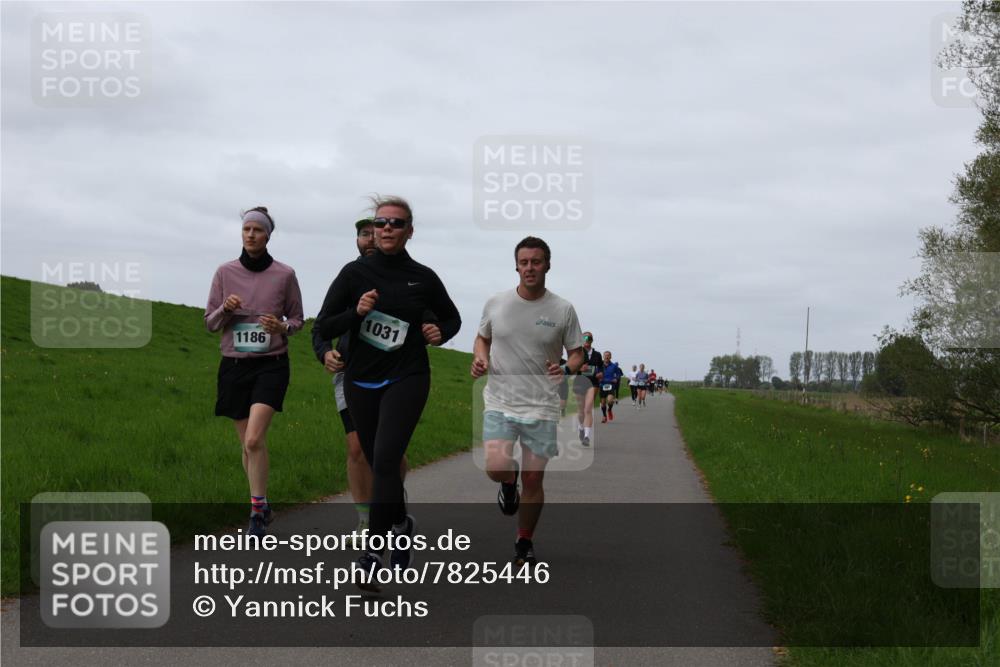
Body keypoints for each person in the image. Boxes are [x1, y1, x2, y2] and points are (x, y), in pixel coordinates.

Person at [315, 195, 461, 580]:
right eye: (381, 223)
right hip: (360, 379)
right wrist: (354, 315)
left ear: (409, 231)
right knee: (378, 461)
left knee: (383, 459)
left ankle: (370, 556)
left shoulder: (423, 277)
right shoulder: (353, 274)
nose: (387, 229)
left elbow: (452, 317)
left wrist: (439, 331)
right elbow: (323, 326)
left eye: (396, 223)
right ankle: (399, 523)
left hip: (407, 377)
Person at [472, 236, 583, 567]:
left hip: (542, 405)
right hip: (500, 400)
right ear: (516, 266)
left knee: (534, 479)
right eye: (524, 262)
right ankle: (508, 481)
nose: (530, 268)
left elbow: (577, 354)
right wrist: (480, 358)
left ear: (547, 265)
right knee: (495, 466)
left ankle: (524, 540)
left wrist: (564, 368)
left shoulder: (563, 309)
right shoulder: (496, 303)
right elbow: (482, 338)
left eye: (536, 262)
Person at [205, 207, 304, 537]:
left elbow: (298, 320)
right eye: (246, 229)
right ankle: (262, 503)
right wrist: (225, 308)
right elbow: (210, 323)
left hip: (271, 364)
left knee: (254, 438)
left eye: (257, 230)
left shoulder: (284, 274)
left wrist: (282, 326)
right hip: (233, 365)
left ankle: (257, 513)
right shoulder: (224, 272)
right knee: (248, 447)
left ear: (268, 235)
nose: (250, 234)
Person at [311, 217, 407, 544]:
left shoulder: (404, 277)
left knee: (389, 452)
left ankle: (393, 503)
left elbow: (429, 315)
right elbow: (321, 325)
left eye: (373, 233)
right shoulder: (349, 277)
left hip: (396, 375)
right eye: (363, 234)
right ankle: (366, 520)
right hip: (351, 373)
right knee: (356, 447)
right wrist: (324, 353)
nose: (369, 239)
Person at [571, 332, 602, 446]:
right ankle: (581, 427)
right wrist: (579, 368)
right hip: (580, 382)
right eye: (584, 337)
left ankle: (587, 436)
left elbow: (601, 367)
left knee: (588, 409)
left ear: (592, 340)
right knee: (581, 410)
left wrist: (601, 374)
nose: (586, 339)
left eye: (589, 338)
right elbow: (571, 369)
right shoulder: (576, 353)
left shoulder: (597, 354)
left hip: (593, 383)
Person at [598, 351, 623, 423]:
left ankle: (609, 410)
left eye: (608, 355)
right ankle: (604, 416)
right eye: (605, 355)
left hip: (611, 385)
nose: (607, 357)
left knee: (609, 400)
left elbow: (618, 374)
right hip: (602, 385)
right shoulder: (600, 365)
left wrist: (616, 378)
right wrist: (598, 377)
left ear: (610, 357)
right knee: (603, 403)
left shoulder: (614, 366)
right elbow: (596, 373)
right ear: (603, 356)